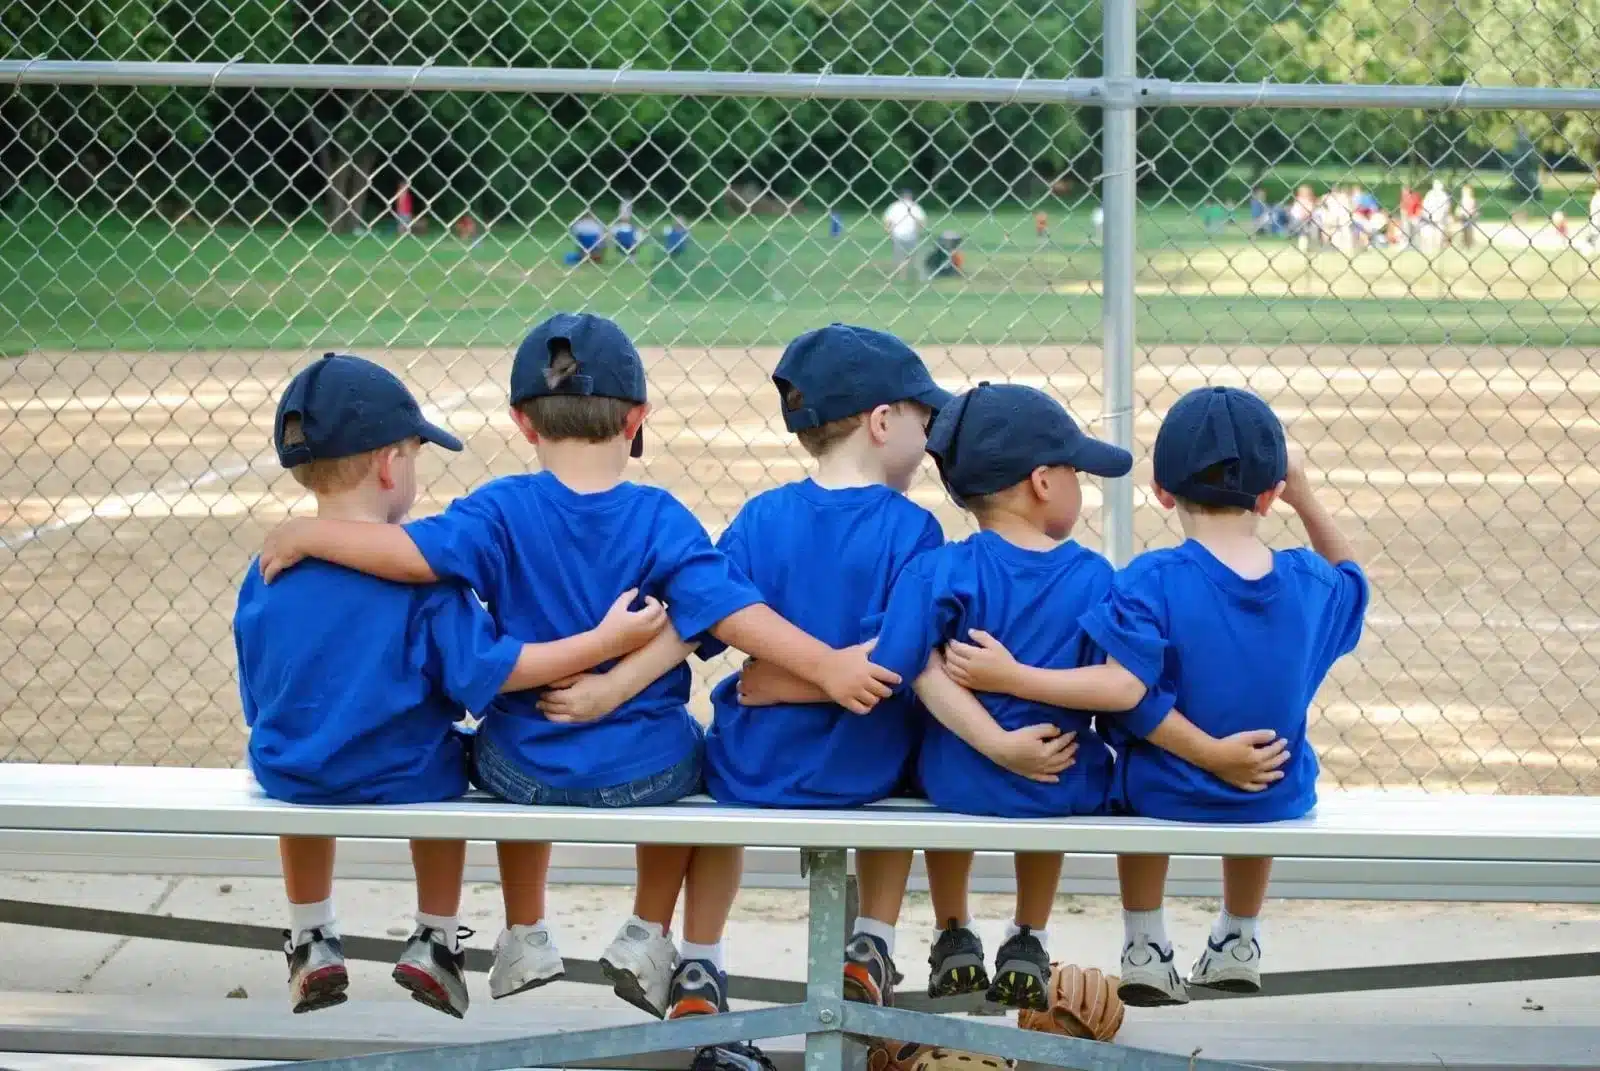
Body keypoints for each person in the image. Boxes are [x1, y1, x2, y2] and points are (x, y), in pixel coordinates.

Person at [255, 314, 902, 1019]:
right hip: (645, 775)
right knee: (696, 746)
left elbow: (410, 556)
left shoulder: (499, 508)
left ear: (523, 423)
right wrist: (828, 666)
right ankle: (647, 931)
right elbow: (727, 610)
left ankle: (526, 930)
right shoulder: (660, 515)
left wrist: (311, 530)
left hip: (519, 773)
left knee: (499, 734)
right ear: (637, 419)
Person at [235, 353, 669, 1018]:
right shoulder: (426, 583)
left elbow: (259, 697)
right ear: (388, 465)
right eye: (413, 455)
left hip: (291, 769)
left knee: (300, 753)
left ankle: (311, 934)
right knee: (453, 753)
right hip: (404, 774)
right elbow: (490, 674)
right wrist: (604, 645)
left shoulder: (266, 568)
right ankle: (435, 936)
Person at [577, 322, 975, 1020]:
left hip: (755, 767)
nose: (931, 437)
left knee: (707, 769)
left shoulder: (762, 517)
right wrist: (829, 677)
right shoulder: (912, 529)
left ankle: (701, 957)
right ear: (883, 422)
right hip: (866, 768)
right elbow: (891, 664)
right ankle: (873, 941)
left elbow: (696, 620)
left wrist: (615, 684)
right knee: (918, 749)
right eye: (924, 418)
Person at [1079, 385, 1369, 1007]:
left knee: (1131, 788)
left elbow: (1128, 699)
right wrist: (1309, 499)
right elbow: (1354, 581)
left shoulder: (1149, 579)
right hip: (1273, 797)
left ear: (1161, 492)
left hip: (1165, 792)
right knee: (1266, 768)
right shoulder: (1311, 581)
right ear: (1271, 494)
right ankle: (1239, 937)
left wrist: (1209, 754)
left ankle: (1145, 946)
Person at [883, 189, 927, 278]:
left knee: (899, 255)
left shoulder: (894, 206)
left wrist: (888, 232)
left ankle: (902, 274)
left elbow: (887, 221)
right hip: (912, 234)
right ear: (910, 197)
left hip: (897, 234)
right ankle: (913, 273)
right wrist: (919, 230)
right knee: (911, 255)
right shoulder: (915, 206)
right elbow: (922, 221)